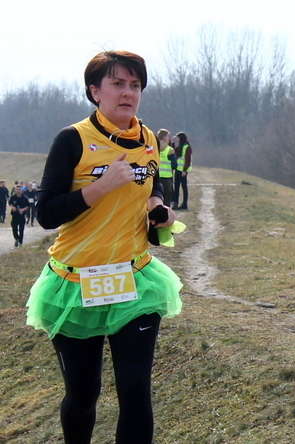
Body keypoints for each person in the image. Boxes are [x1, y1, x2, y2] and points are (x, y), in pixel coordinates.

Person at [27, 50, 182, 444]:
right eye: (117, 84)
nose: (128, 93)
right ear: (95, 91)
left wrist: (159, 209)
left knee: (135, 390)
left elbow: (155, 184)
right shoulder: (72, 139)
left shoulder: (149, 139)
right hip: (76, 283)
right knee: (83, 395)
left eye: (135, 85)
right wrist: (101, 187)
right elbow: (45, 213)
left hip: (134, 281)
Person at [156, 129, 175, 208]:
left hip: (156, 177)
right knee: (167, 201)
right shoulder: (170, 150)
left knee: (157, 199)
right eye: (168, 136)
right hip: (167, 178)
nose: (169, 138)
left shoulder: (154, 147)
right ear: (164, 137)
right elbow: (174, 165)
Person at [172, 131, 191, 210]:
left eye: (177, 138)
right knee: (176, 187)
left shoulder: (187, 147)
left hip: (183, 171)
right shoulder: (179, 146)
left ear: (181, 138)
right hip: (177, 170)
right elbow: (174, 152)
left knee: (184, 187)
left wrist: (184, 170)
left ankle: (184, 204)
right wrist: (173, 143)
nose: (177, 139)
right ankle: (175, 204)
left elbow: (188, 160)